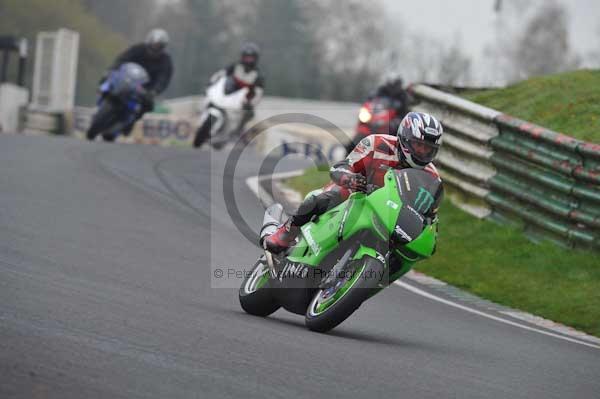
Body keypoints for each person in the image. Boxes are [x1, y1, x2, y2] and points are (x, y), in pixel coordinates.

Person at [264, 111, 444, 254]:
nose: (422, 152)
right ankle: (285, 234)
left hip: (390, 215)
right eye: (419, 145)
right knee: (320, 199)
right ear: (405, 137)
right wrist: (349, 178)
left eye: (428, 148)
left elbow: (429, 213)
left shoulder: (431, 176)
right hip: (355, 194)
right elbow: (341, 167)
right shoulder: (377, 143)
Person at [91, 28, 174, 137]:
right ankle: (101, 99)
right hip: (127, 78)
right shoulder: (138, 49)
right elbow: (123, 58)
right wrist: (112, 69)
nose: (155, 47)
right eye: (154, 44)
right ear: (149, 41)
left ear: (163, 47)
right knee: (107, 80)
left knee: (148, 105)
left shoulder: (166, 61)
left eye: (158, 46)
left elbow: (164, 79)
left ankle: (130, 122)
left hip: (145, 88)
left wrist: (154, 91)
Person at [209, 42, 265, 124]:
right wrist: (212, 82)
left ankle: (237, 132)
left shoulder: (258, 76)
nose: (248, 61)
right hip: (227, 95)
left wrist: (250, 103)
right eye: (246, 58)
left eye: (250, 58)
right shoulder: (234, 67)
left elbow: (258, 94)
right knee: (211, 100)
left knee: (249, 114)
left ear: (255, 59)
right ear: (242, 57)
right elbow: (220, 74)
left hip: (242, 102)